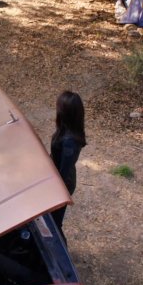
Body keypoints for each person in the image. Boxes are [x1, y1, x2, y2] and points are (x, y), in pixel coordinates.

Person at [50, 91, 87, 235]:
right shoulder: (65, 130)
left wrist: (60, 196)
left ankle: (60, 254)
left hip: (62, 184)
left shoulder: (69, 142)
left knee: (54, 223)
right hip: (57, 179)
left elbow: (63, 174)